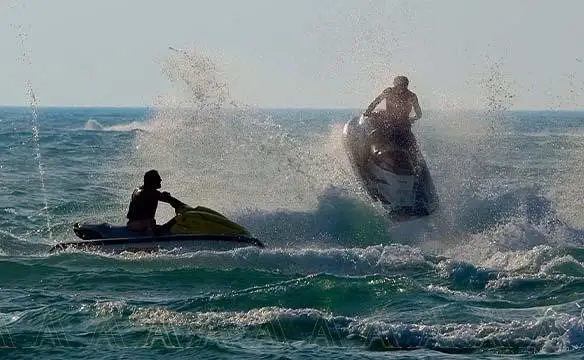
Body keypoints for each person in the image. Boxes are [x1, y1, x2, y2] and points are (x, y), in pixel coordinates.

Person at [363, 75, 422, 149]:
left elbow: (419, 114)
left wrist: (412, 119)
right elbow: (376, 101)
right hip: (392, 123)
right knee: (376, 120)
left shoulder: (410, 95)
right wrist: (368, 112)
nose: (400, 89)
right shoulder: (391, 92)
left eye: (403, 86)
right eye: (399, 86)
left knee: (411, 144)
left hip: (400, 125)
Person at [126, 170, 181, 235]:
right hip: (138, 224)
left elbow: (162, 197)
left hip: (133, 224)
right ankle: (151, 238)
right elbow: (171, 201)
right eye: (158, 178)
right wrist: (184, 208)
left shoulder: (140, 190)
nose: (161, 180)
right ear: (152, 181)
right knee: (152, 222)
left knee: (156, 223)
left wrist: (165, 196)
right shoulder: (149, 193)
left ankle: (160, 229)